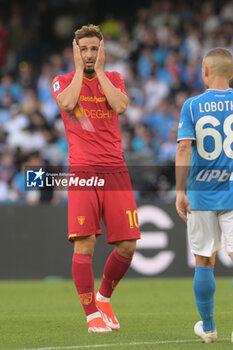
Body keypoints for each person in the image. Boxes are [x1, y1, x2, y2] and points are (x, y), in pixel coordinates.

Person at [52, 24, 141, 333]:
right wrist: (80, 69)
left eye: (94, 48)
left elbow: (120, 106)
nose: (89, 54)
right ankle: (91, 315)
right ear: (76, 52)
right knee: (85, 243)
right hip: (83, 172)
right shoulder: (62, 81)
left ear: (102, 51)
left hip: (116, 170)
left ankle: (104, 298)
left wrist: (100, 71)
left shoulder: (114, 79)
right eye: (84, 49)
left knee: (128, 246)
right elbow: (66, 104)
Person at [175, 47, 233, 343]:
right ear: (231, 73)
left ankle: (209, 328)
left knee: (204, 261)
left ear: (206, 72)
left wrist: (180, 191)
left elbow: (184, 148)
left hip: (202, 193)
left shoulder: (193, 105)